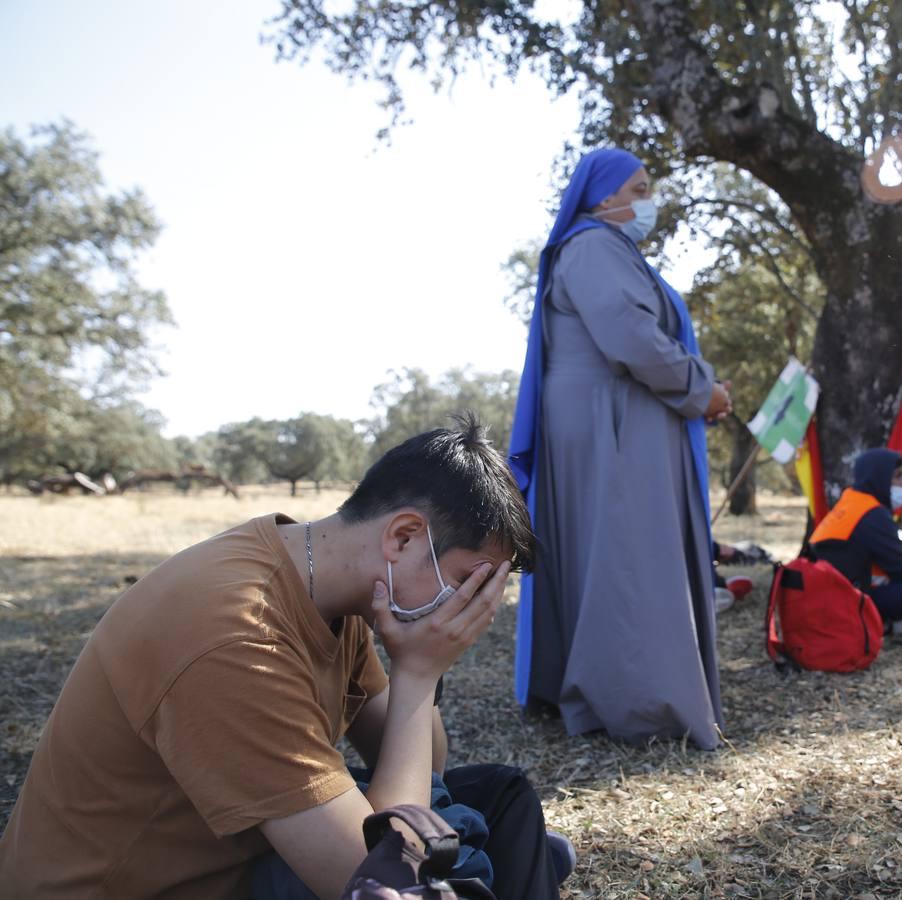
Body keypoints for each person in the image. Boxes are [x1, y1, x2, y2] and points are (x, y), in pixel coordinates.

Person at [0, 423, 569, 899]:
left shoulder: (323, 581)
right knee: (444, 853)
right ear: (402, 537)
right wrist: (418, 675)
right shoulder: (235, 633)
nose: (476, 607)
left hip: (230, 850)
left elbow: (428, 767)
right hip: (147, 885)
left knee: (498, 798)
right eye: (471, 583)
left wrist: (421, 667)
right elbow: (375, 876)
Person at [509, 148, 729, 750]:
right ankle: (640, 702)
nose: (648, 198)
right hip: (612, 424)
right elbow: (631, 338)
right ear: (603, 197)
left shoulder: (602, 249)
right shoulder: (593, 248)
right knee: (628, 554)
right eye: (639, 186)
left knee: (610, 551)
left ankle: (605, 685)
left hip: (609, 419)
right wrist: (701, 389)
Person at [809, 449, 902, 637]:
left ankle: (890, 625)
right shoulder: (871, 514)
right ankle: (882, 625)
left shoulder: (852, 502)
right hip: (844, 601)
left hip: (829, 597)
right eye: (898, 476)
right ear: (878, 477)